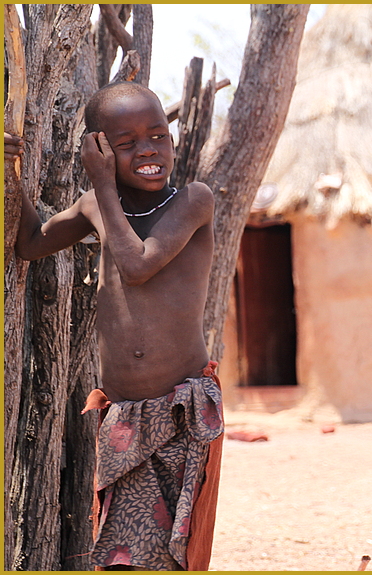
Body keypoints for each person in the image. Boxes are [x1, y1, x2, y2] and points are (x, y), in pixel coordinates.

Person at [7, 80, 222, 571]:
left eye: (158, 137)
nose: (149, 151)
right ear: (98, 147)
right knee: (123, 554)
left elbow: (138, 264)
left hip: (180, 414)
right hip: (123, 415)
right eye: (126, 145)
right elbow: (31, 243)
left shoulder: (192, 200)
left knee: (172, 554)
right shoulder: (94, 206)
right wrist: (9, 173)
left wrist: (103, 183)